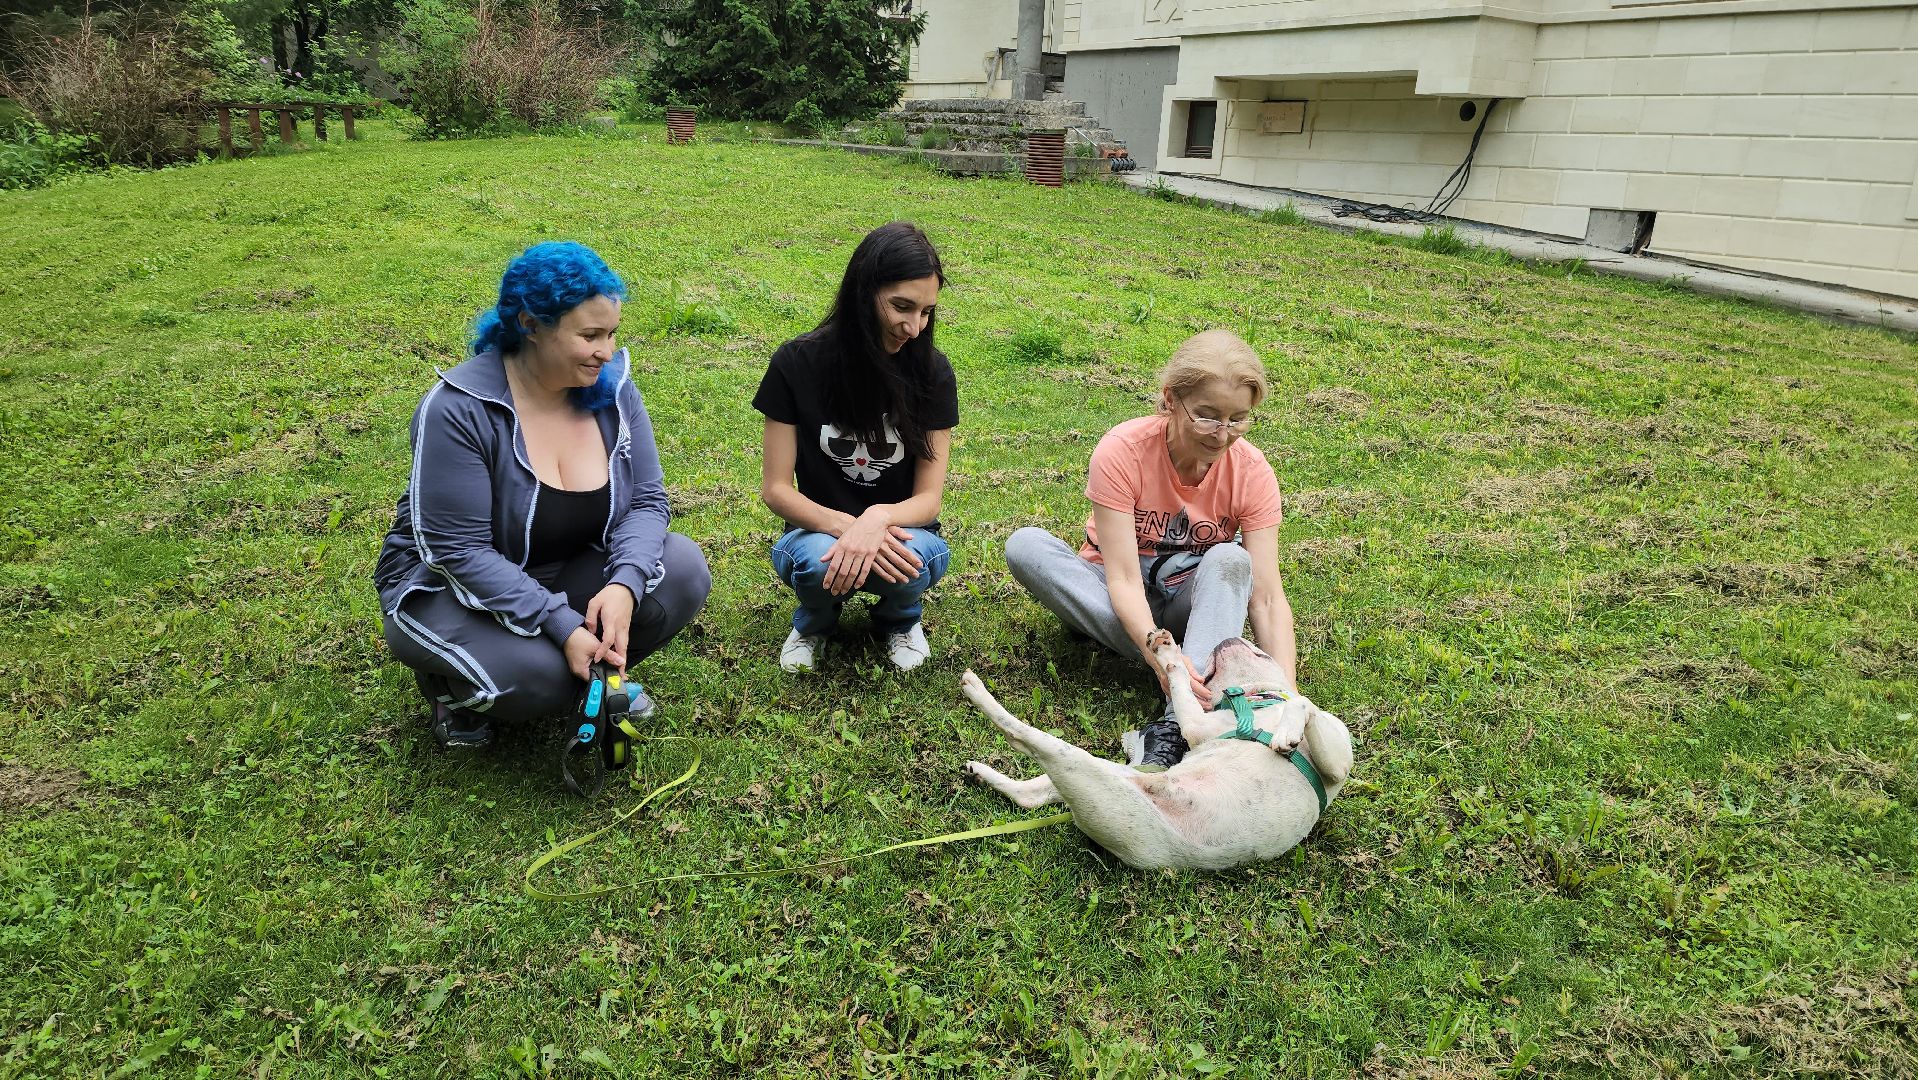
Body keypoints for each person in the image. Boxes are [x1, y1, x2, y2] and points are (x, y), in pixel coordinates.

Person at [374, 242, 711, 748]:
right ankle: (450, 690)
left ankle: (591, 675)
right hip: (446, 588)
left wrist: (623, 585)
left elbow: (646, 502)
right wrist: (561, 623)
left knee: (682, 568)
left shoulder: (613, 392)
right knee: (541, 682)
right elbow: (455, 551)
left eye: (612, 333)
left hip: (560, 566)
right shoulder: (457, 410)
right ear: (531, 325)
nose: (606, 350)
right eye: (589, 335)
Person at [1004, 329, 1298, 771]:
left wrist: (1288, 701)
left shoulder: (1253, 472)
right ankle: (1192, 667)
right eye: (1207, 416)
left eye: (1238, 419)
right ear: (1170, 399)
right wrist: (1157, 654)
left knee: (1233, 559)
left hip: (1188, 604)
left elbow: (1268, 597)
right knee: (1025, 544)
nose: (1222, 435)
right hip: (1115, 594)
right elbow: (1121, 577)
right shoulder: (1123, 450)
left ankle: (1174, 727)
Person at [754, 221, 958, 673]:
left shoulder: (933, 374)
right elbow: (776, 489)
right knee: (814, 564)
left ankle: (900, 620)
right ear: (862, 293)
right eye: (901, 307)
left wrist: (877, 520)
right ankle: (814, 622)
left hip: (905, 531)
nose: (913, 327)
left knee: (916, 561)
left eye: (926, 312)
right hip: (816, 532)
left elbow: (928, 500)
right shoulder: (796, 364)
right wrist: (849, 528)